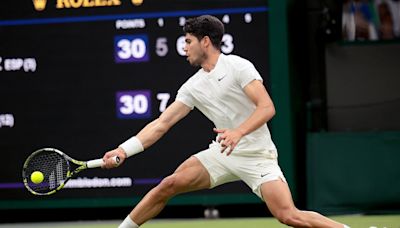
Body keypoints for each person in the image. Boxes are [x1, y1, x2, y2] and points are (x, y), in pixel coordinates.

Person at [102, 15, 349, 228]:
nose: (184, 48)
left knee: (288, 216)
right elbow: (161, 124)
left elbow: (267, 107)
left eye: (188, 41)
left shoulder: (238, 66)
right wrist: (124, 150)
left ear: (205, 41)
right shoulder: (192, 86)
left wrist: (238, 132)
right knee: (169, 184)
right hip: (222, 154)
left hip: (257, 156)